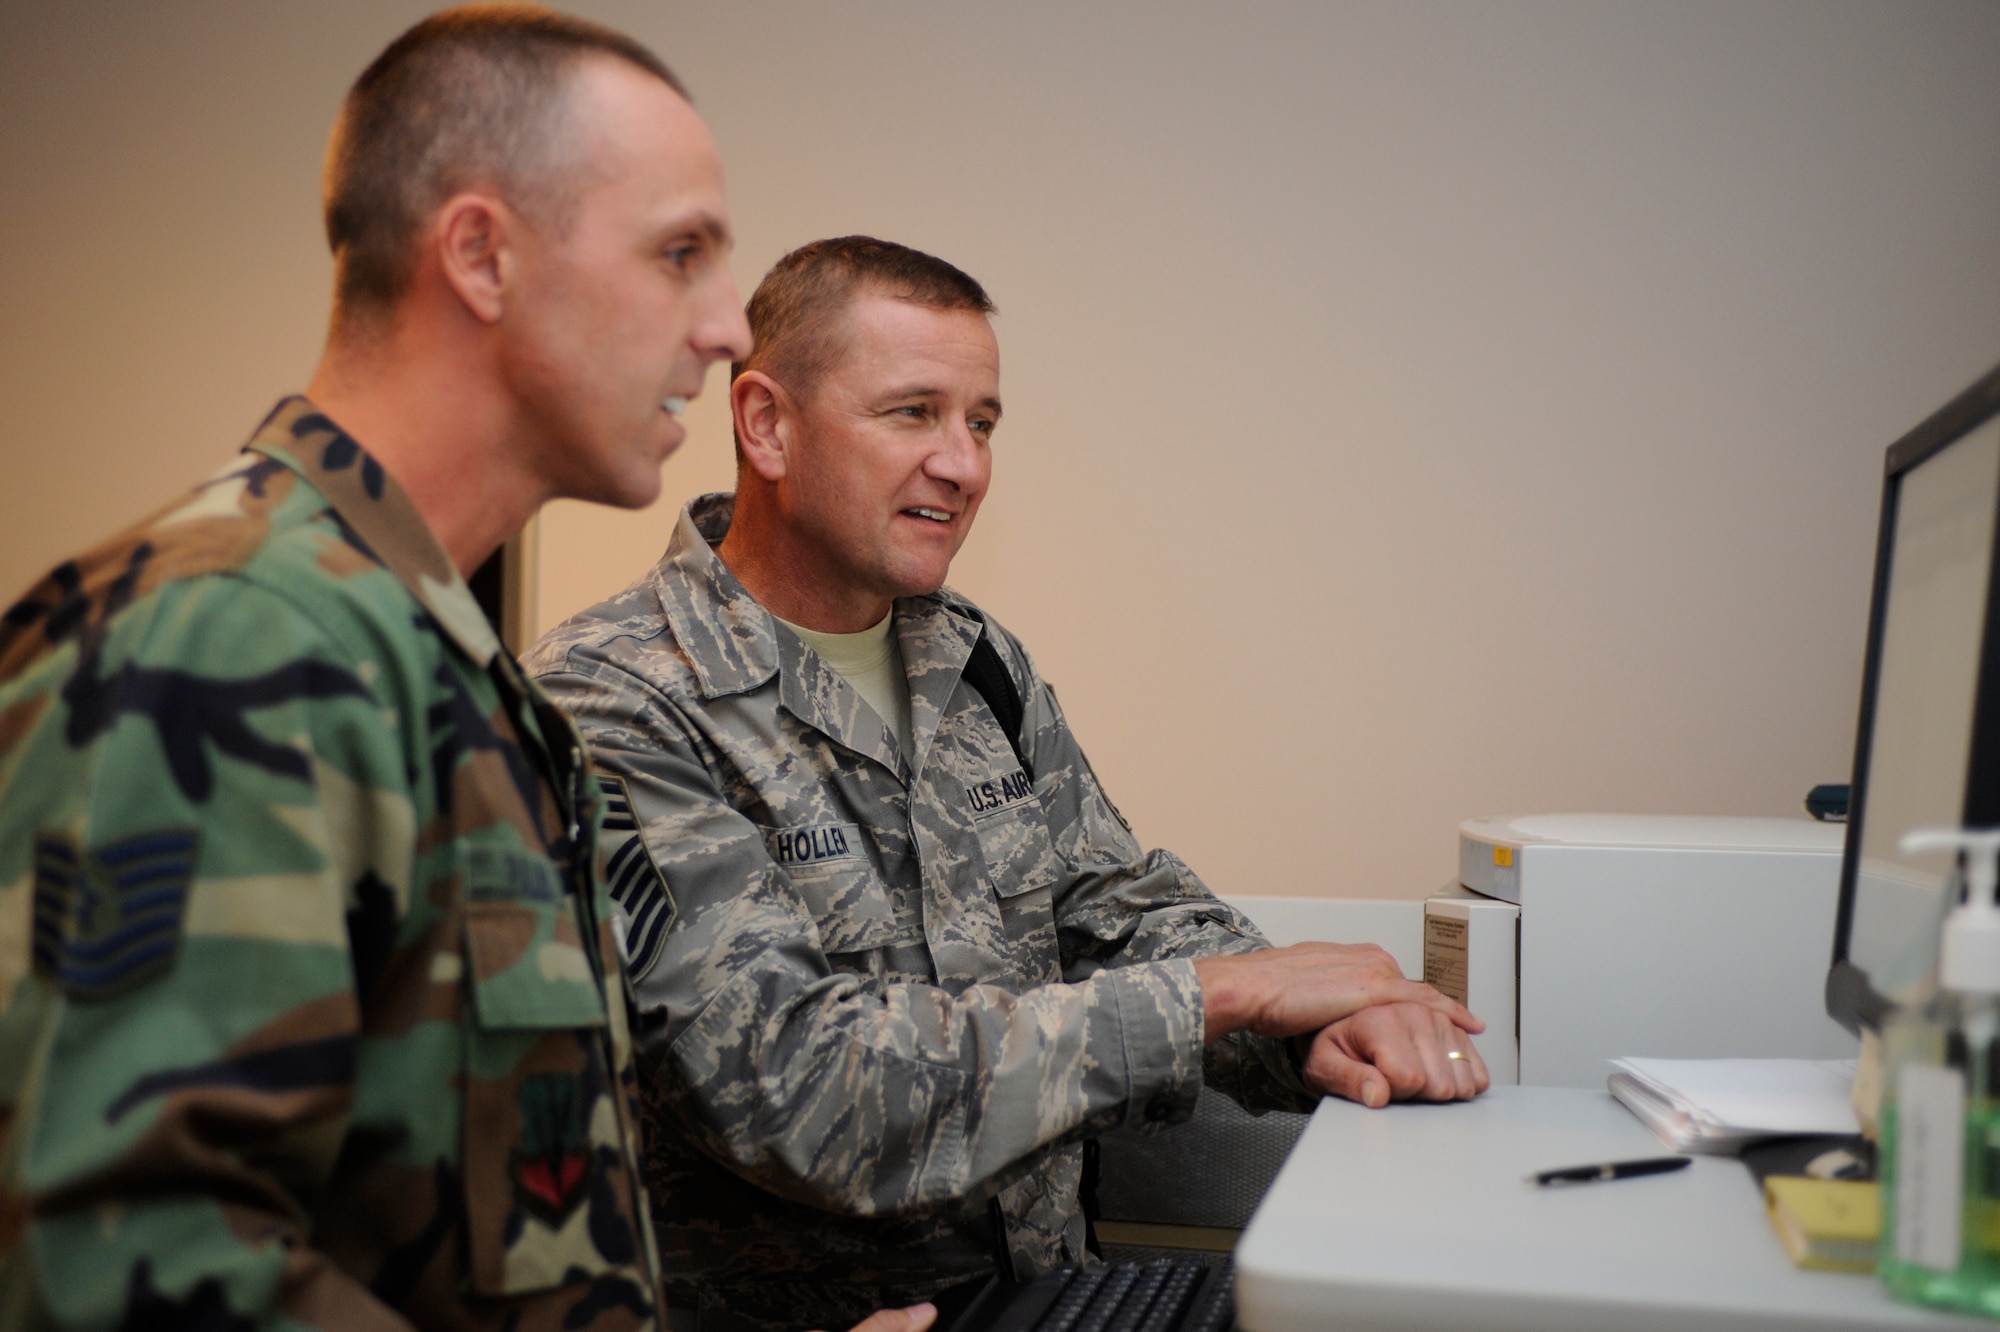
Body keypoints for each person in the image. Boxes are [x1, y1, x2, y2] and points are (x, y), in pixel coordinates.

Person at [0, 13, 925, 1332]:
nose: (727, 326)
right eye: (679, 254)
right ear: (482, 255)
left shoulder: (441, 664)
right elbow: (123, 1280)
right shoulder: (224, 643)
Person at [526, 236, 1491, 1331]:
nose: (964, 464)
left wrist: (1306, 1029)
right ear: (765, 424)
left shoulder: (970, 660)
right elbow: (794, 1086)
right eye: (912, 413)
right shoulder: (612, 702)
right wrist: (1220, 994)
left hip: (1055, 1295)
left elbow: (1107, 908)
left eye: (980, 423)